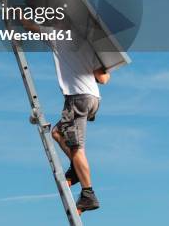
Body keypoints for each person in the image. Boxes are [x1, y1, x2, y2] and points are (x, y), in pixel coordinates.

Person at [50, 33, 110, 213]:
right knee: (57, 132)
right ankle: (77, 169)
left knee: (77, 148)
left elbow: (29, 25)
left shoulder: (57, 35)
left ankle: (88, 194)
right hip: (94, 99)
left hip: (77, 98)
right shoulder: (88, 45)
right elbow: (103, 79)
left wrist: (10, 10)